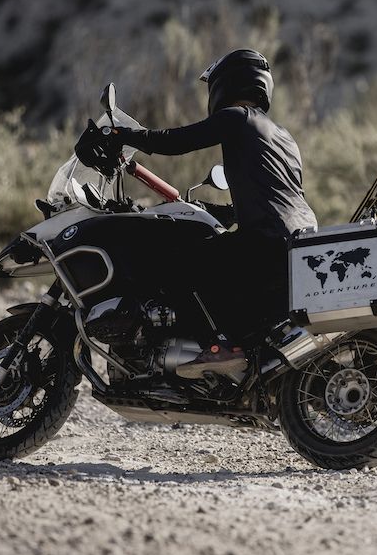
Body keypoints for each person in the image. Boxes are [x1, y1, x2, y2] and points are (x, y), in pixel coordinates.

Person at [81, 49, 317, 377]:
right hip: (296, 241)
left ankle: (219, 346)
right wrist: (222, 211)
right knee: (215, 255)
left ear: (228, 83)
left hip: (264, 241)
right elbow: (274, 195)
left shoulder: (238, 117)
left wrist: (122, 135)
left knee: (176, 261)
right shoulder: (284, 138)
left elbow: (177, 141)